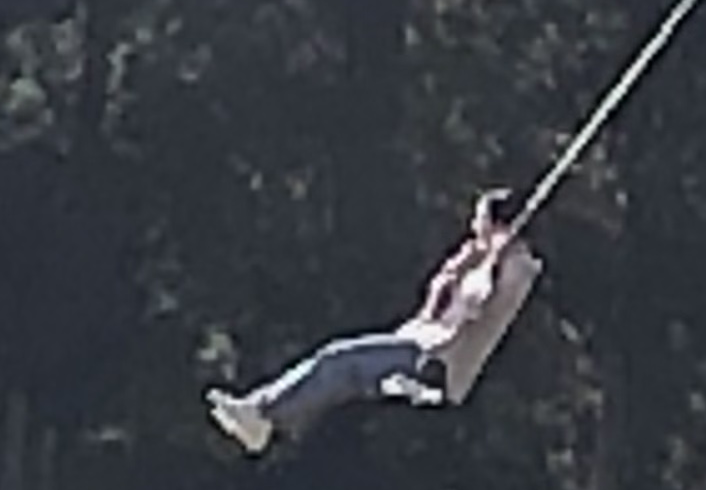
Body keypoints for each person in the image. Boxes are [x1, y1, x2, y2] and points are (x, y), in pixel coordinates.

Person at [207, 189, 534, 456]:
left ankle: (263, 414)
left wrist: (494, 258)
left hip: (436, 363)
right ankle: (269, 414)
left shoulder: (516, 267)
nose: (473, 228)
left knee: (336, 360)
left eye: (479, 221)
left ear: (496, 225)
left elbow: (479, 304)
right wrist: (462, 264)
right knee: (341, 371)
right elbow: (435, 302)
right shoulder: (480, 259)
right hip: (418, 345)